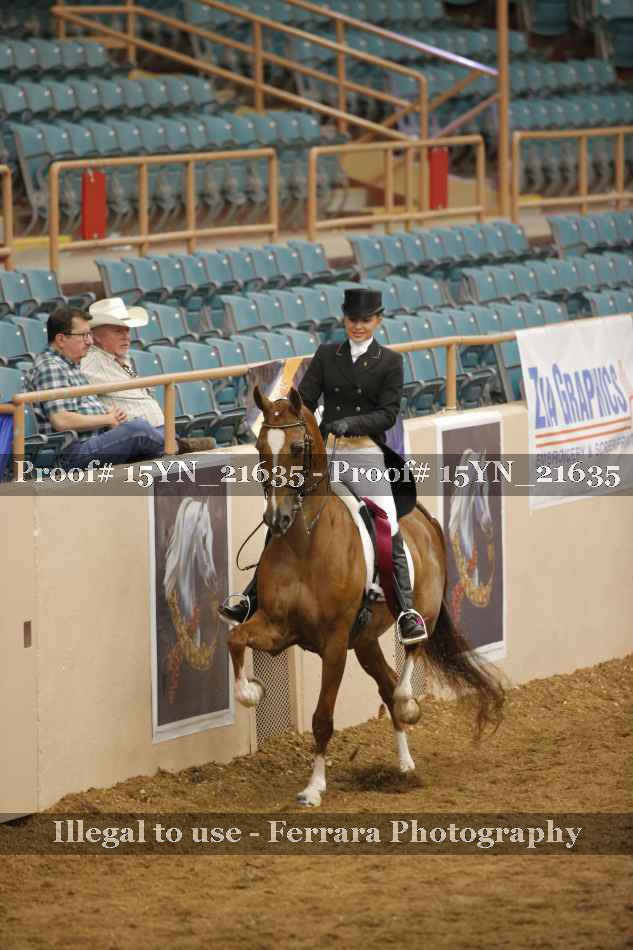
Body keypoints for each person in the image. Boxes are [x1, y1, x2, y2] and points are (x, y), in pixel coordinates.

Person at [220, 286, 425, 644]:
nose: (358, 326)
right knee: (283, 510)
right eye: (352, 319)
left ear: (377, 321)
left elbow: (388, 414)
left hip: (365, 453)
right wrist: (283, 414)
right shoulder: (327, 355)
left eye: (365, 320)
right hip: (326, 454)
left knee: (387, 520)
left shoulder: (390, 362)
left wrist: (351, 424)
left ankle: (406, 609)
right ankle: (252, 595)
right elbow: (306, 400)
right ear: (344, 319)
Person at [27, 304, 209, 470]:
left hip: (94, 441)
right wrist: (107, 418)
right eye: (83, 335)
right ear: (60, 339)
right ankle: (179, 446)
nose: (89, 341)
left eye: (89, 334)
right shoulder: (51, 366)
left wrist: (108, 418)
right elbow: (62, 421)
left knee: (150, 432)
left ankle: (173, 448)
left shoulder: (71, 364)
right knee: (138, 429)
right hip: (72, 454)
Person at [82, 297, 214, 454]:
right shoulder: (90, 362)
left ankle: (177, 444)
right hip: (132, 440)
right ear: (96, 336)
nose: (126, 336)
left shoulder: (121, 359)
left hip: (155, 433)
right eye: (118, 331)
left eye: (127, 330)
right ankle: (179, 445)